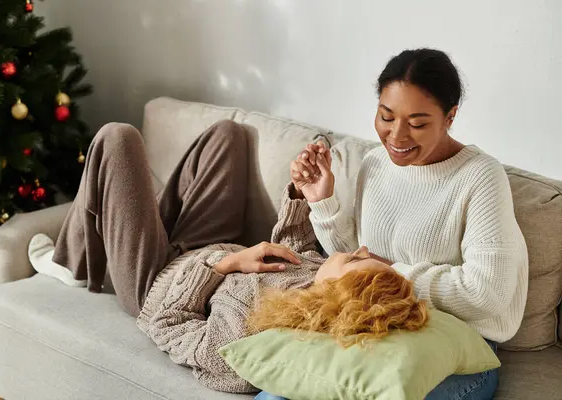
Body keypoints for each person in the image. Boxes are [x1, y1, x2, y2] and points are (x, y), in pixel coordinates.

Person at [28, 119, 428, 393]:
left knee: (118, 138)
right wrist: (302, 192)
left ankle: (71, 262)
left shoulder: (253, 336)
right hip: (206, 242)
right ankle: (150, 222)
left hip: (155, 279)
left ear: (340, 291)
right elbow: (293, 247)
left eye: (358, 259)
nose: (358, 249)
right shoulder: (315, 279)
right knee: (229, 134)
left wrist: (223, 266)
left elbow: (164, 323)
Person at [257, 48, 529, 400]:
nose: (397, 137)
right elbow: (353, 261)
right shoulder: (375, 163)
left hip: (457, 348)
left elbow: (486, 294)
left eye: (417, 124)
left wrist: (390, 273)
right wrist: (321, 200)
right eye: (386, 117)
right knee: (276, 393)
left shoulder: (480, 177)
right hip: (375, 324)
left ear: (450, 117)